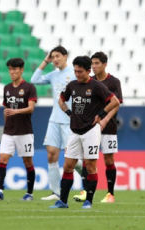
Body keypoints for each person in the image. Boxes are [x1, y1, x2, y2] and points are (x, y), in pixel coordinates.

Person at [50, 56, 120, 209]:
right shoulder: (72, 85)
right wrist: (68, 112)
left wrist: (101, 115)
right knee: (68, 166)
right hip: (74, 131)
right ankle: (63, 201)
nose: (77, 74)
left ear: (88, 71)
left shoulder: (96, 86)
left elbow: (114, 101)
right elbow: (61, 99)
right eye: (75, 71)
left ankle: (88, 201)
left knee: (90, 166)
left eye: (80, 71)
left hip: (91, 131)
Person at [73, 52, 123, 203]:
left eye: (97, 63)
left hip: (108, 127)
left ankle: (110, 194)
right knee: (86, 160)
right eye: (92, 64)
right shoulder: (89, 81)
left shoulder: (114, 82)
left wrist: (106, 119)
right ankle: (85, 191)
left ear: (104, 64)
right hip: (90, 127)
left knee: (108, 159)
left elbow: (116, 103)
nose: (93, 66)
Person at [30, 45, 78, 201]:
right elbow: (34, 80)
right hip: (54, 120)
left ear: (65, 56)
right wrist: (45, 61)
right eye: (53, 57)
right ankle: (56, 192)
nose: (55, 60)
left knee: (73, 159)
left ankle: (89, 178)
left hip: (69, 121)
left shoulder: (74, 73)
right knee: (51, 154)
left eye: (58, 56)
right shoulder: (53, 75)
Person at [0, 58, 37, 201]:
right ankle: (0, 190)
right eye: (10, 69)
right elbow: (6, 110)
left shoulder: (29, 88)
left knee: (27, 161)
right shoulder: (7, 88)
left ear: (21, 70)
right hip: (9, 132)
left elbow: (31, 108)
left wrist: (15, 112)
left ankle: (29, 193)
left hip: (25, 132)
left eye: (15, 69)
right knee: (3, 158)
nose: (12, 72)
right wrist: (6, 123)